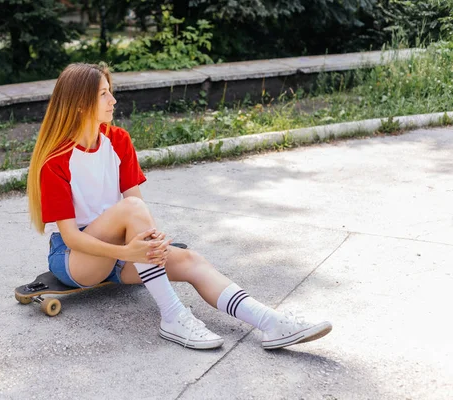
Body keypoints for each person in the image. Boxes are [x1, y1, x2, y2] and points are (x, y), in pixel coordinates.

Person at [26, 62, 332, 350]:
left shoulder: (118, 140)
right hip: (76, 259)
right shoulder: (55, 160)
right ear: (80, 104)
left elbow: (138, 208)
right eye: (103, 94)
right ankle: (173, 316)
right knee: (130, 209)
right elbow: (72, 237)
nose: (113, 100)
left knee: (190, 260)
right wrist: (127, 252)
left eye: (110, 91)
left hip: (122, 250)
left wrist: (152, 243)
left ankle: (271, 322)